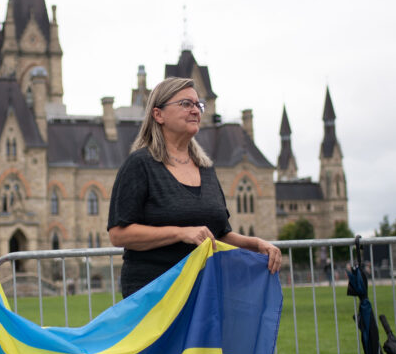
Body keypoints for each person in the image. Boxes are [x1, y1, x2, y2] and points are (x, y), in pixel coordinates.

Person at [107, 77, 282, 297]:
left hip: (203, 291)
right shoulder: (140, 165)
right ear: (158, 115)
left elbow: (218, 235)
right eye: (185, 104)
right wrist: (181, 233)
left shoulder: (206, 169)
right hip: (156, 294)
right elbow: (119, 235)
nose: (195, 110)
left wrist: (256, 244)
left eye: (198, 104)